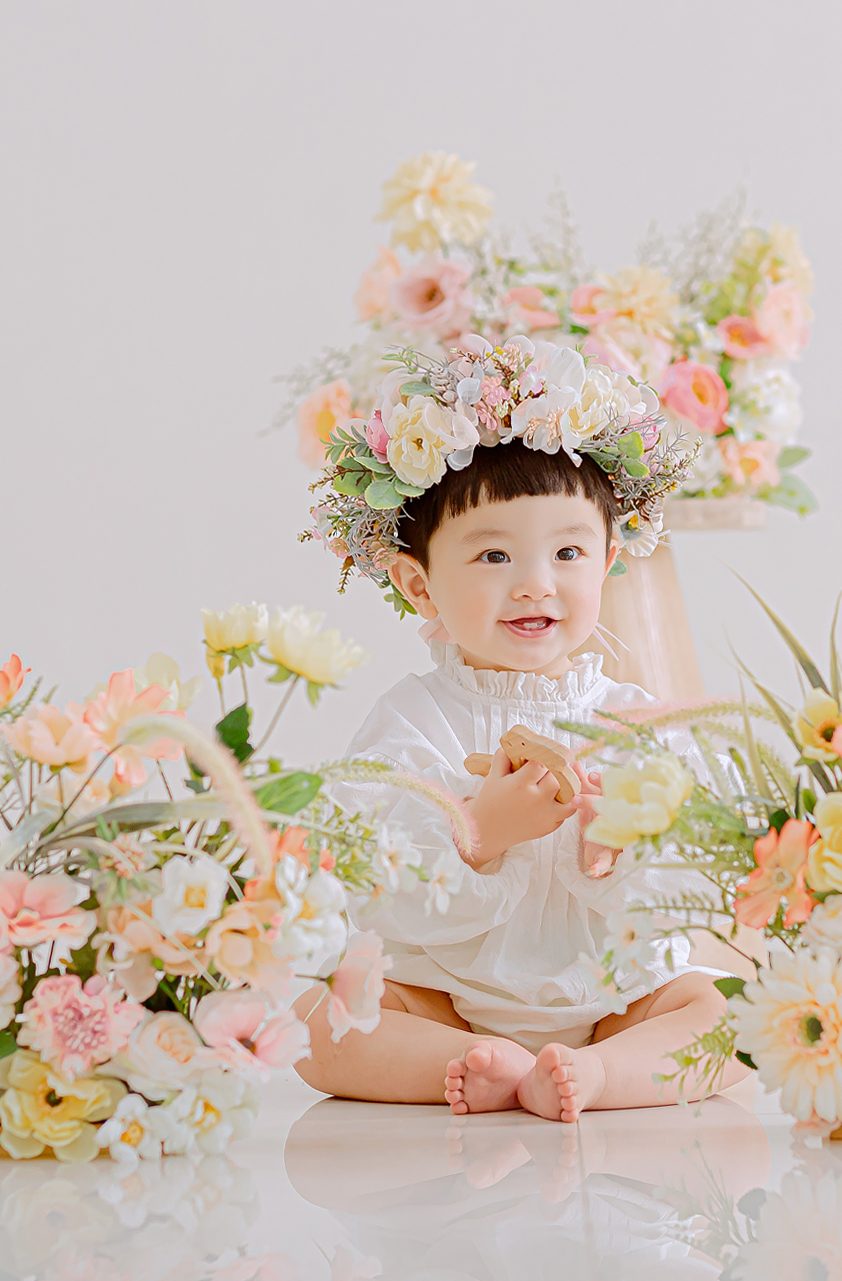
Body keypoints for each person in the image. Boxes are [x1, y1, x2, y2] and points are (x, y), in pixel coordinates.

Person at [292, 335, 750, 1122]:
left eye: (568, 551)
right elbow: (371, 876)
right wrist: (478, 834)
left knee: (732, 1017)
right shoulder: (413, 718)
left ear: (608, 561)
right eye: (494, 556)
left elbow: (700, 879)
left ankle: (595, 1070)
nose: (536, 583)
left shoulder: (635, 718)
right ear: (418, 583)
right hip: (445, 994)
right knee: (319, 1025)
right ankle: (471, 1062)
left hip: (614, 993)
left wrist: (617, 848)